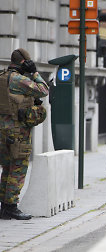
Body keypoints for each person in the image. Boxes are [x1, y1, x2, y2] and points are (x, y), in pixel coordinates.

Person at [0, 48, 49, 220]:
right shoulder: (19, 80)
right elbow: (44, 90)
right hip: (17, 131)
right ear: (23, 63)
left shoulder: (2, 77)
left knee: (7, 168)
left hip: (2, 131)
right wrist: (34, 72)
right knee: (18, 168)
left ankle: (4, 206)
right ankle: (11, 207)